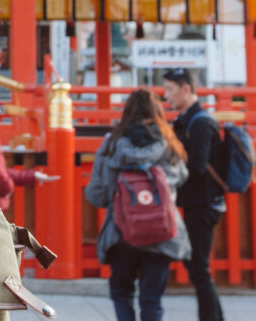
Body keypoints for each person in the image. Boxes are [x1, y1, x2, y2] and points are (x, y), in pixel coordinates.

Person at [85, 89, 191, 321]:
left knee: (122, 293)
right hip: (161, 232)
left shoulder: (112, 145)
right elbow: (182, 179)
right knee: (151, 299)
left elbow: (97, 194)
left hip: (122, 232)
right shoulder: (169, 145)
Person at [164, 68, 225, 321]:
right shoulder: (188, 119)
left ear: (186, 89)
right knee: (197, 267)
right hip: (198, 203)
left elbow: (197, 167)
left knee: (199, 267)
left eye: (170, 89)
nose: (167, 96)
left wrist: (168, 179)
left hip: (203, 204)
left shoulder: (200, 122)